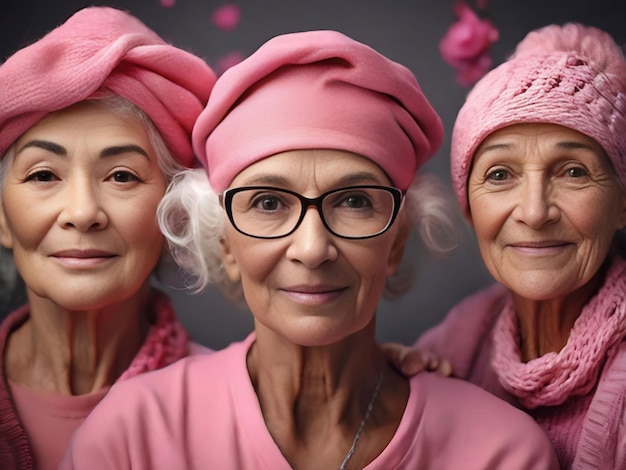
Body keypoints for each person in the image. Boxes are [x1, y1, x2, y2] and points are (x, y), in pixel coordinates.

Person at [62, 30, 558, 470]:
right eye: (269, 203)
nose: (313, 247)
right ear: (225, 244)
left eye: (355, 201)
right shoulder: (132, 438)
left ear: (397, 241)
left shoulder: (501, 453)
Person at [388, 23, 626, 469]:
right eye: (500, 175)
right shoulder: (456, 344)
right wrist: (386, 380)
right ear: (469, 208)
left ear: (623, 203)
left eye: (573, 171)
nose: (535, 212)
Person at [0, 7, 216, 469]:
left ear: (175, 214)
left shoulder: (239, 410)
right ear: (2, 217)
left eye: (121, 176)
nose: (82, 213)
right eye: (42, 175)